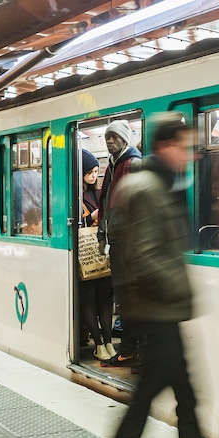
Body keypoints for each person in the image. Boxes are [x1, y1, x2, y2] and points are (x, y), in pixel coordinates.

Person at [88, 114, 219, 438]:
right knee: (139, 413)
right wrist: (182, 293)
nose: (193, 154)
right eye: (186, 146)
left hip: (163, 314)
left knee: (188, 400)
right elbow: (141, 257)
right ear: (166, 148)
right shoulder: (145, 188)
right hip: (157, 315)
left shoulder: (157, 186)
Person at [98, 120, 142, 367]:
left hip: (129, 244)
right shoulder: (114, 165)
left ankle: (130, 349)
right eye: (107, 137)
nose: (109, 141)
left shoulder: (134, 164)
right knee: (125, 299)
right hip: (118, 241)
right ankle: (131, 349)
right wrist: (102, 236)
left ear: (125, 139)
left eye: (114, 136)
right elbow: (107, 204)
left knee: (129, 299)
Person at [79, 150, 116, 361]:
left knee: (105, 300)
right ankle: (98, 343)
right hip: (86, 255)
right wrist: (92, 217)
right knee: (89, 302)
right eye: (89, 172)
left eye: (96, 171)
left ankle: (109, 342)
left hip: (102, 253)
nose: (94, 176)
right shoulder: (75, 196)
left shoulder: (99, 193)